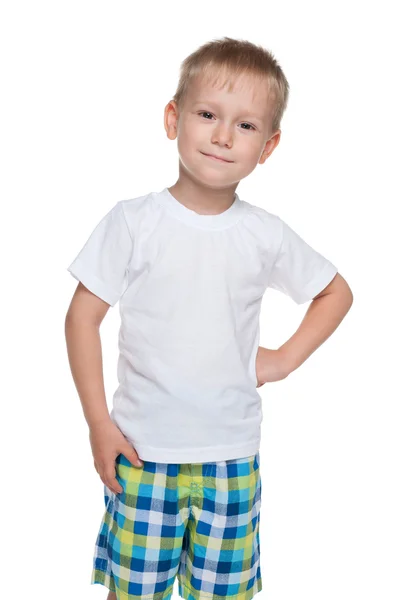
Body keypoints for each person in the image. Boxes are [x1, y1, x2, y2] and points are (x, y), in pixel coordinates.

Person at [65, 36, 353, 600]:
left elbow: (335, 292)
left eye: (246, 126)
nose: (223, 136)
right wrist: (99, 423)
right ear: (174, 119)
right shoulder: (132, 222)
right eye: (207, 115)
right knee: (136, 591)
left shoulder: (264, 233)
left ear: (268, 147)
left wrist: (285, 360)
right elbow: (81, 319)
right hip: (142, 455)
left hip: (231, 459)